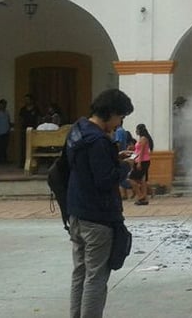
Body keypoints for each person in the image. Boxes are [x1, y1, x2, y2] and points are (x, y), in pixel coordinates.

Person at [67, 88, 134, 318]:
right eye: (120, 117)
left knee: (80, 273)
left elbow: (85, 168)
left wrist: (114, 159)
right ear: (111, 112)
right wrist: (125, 167)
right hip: (97, 218)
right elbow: (104, 181)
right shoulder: (98, 141)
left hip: (76, 213)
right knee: (96, 278)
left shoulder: (77, 131)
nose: (119, 123)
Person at [127, 123, 153, 206]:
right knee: (142, 180)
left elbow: (141, 152)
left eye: (137, 129)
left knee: (131, 179)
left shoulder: (143, 139)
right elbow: (137, 151)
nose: (136, 131)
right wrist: (131, 155)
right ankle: (144, 198)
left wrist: (139, 162)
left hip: (142, 161)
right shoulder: (141, 139)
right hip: (140, 160)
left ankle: (140, 195)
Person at [18, 94, 40, 163]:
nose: (26, 101)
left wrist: (37, 128)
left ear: (31, 100)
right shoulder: (23, 109)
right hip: (24, 130)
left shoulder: (36, 109)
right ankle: (23, 162)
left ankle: (33, 162)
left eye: (28, 99)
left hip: (34, 130)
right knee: (24, 146)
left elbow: (38, 118)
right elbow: (20, 119)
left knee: (34, 147)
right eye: (25, 99)